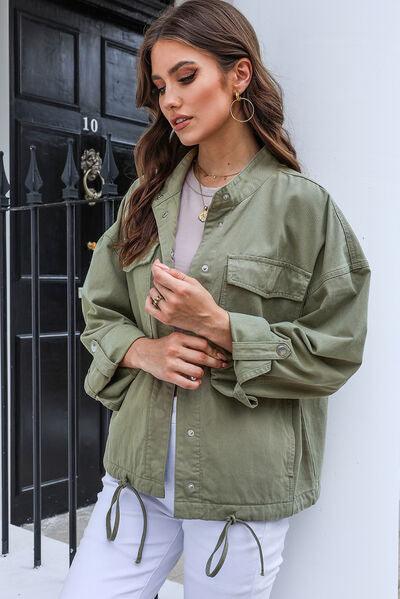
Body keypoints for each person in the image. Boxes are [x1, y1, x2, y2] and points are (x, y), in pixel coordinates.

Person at [60, 1, 371, 597]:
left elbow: (338, 350)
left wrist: (223, 326)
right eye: (159, 86)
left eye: (186, 76)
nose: (170, 100)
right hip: (138, 479)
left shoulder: (303, 207)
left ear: (239, 75)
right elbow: (100, 311)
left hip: (240, 495)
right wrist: (142, 352)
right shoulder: (143, 202)